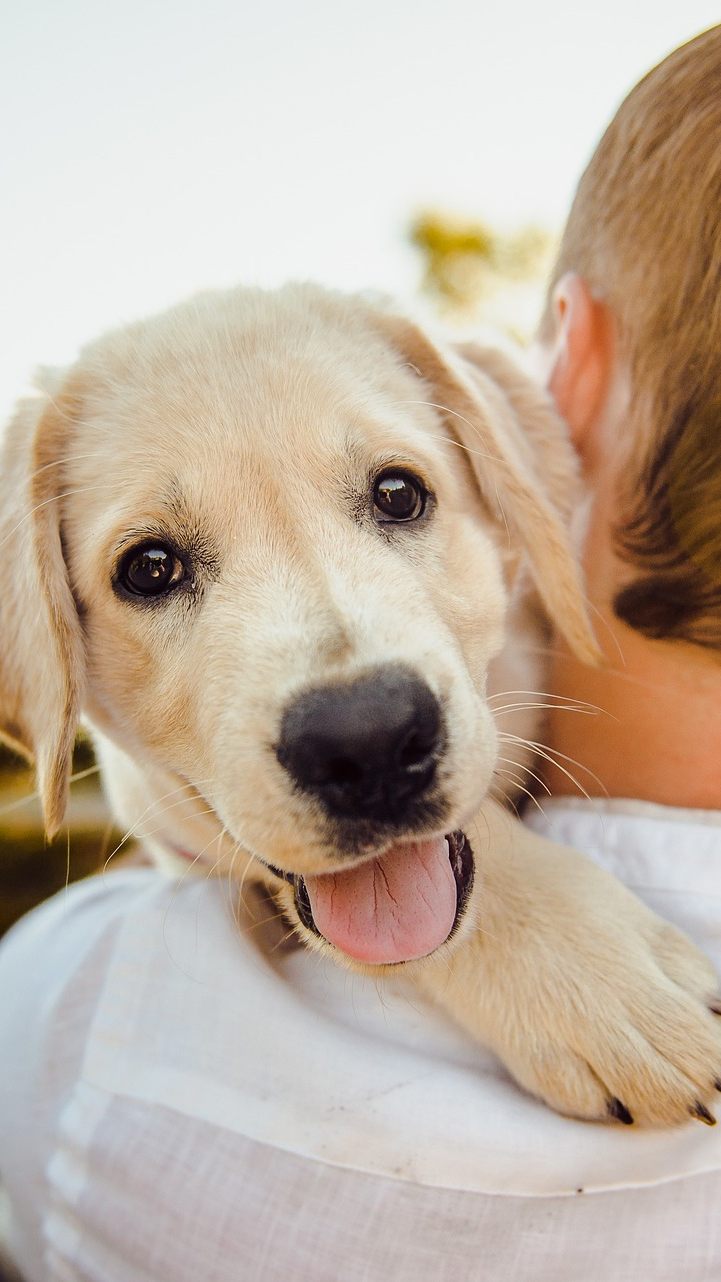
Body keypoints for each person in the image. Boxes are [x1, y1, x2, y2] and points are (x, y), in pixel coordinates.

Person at [2, 25, 721, 1282]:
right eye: (154, 569)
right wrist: (497, 907)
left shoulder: (63, 1030)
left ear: (517, 486)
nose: (348, 695)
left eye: (395, 497)